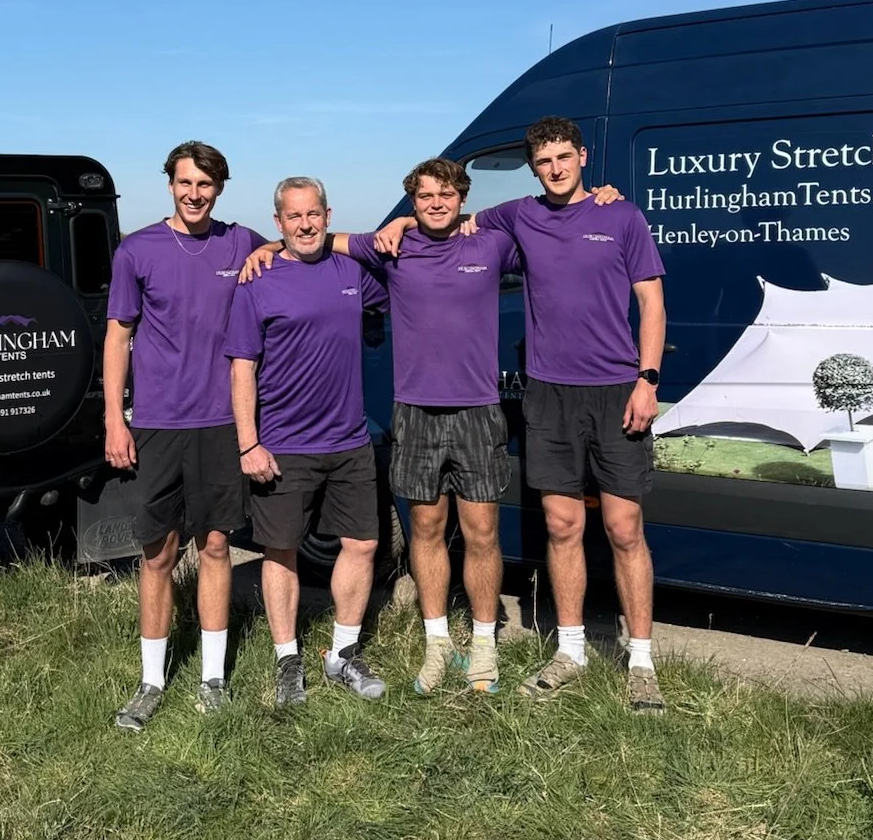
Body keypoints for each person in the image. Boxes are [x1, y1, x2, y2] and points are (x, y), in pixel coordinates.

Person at [242, 157, 612, 696]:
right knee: (426, 532)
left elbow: (553, 232)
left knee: (483, 533)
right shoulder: (391, 247)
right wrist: (268, 248)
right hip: (414, 413)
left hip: (478, 410)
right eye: (423, 197)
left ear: (463, 199)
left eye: (446, 194)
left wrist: (595, 196)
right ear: (410, 201)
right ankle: (437, 645)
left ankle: (483, 645)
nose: (435, 204)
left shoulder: (490, 245)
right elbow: (318, 239)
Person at [384, 117, 667, 711]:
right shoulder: (518, 214)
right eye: (544, 161)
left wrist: (647, 380)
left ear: (583, 157)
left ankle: (640, 661)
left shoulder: (621, 215)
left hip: (616, 388)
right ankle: (570, 650)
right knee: (562, 527)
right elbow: (449, 219)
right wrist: (406, 219)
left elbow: (651, 302)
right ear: (533, 167)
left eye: (565, 157)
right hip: (548, 392)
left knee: (623, 528)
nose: (556, 168)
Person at [105, 142, 267, 731]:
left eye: (205, 184)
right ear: (169, 184)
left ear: (219, 188)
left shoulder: (241, 242)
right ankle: (150, 683)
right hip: (156, 424)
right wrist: (113, 418)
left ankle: (213, 678)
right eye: (184, 183)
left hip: (222, 424)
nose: (194, 193)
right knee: (158, 554)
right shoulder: (137, 250)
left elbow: (304, 243)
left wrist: (396, 225)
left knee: (217, 547)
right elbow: (117, 336)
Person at [224, 177, 390, 706]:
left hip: (348, 439)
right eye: (293, 217)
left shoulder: (352, 274)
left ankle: (342, 655)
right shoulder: (258, 281)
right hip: (283, 443)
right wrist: (249, 444)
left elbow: (400, 272)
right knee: (281, 549)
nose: (304, 224)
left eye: (313, 213)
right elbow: (242, 369)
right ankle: (287, 659)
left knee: (363, 543)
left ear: (327, 214)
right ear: (278, 222)